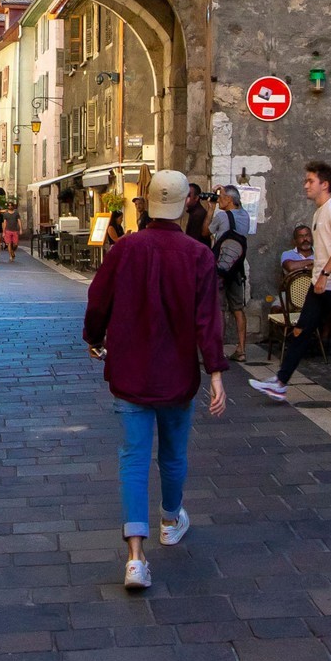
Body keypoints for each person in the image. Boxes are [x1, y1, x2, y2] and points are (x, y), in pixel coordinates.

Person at [83, 168, 227, 593]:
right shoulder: (198, 255)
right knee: (173, 454)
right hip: (177, 375)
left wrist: (94, 337)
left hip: (130, 372)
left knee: (132, 458)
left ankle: (134, 558)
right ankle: (170, 518)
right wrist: (215, 372)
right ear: (186, 204)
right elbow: (208, 320)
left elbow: (98, 301)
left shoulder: (124, 249)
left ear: (147, 202)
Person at [250, 161, 331, 407]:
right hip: (321, 284)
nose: (305, 185)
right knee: (300, 331)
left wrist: (325, 275)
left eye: (310, 181)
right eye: (306, 180)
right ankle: (280, 383)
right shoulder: (320, 211)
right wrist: (320, 277)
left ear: (325, 184)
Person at [210, 185, 252, 363]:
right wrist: (225, 191)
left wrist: (210, 207)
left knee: (219, 309)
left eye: (221, 197)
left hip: (220, 270)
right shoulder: (246, 216)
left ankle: (218, 351)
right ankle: (241, 349)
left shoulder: (221, 216)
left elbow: (206, 231)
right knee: (238, 309)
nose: (219, 199)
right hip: (237, 269)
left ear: (228, 199)